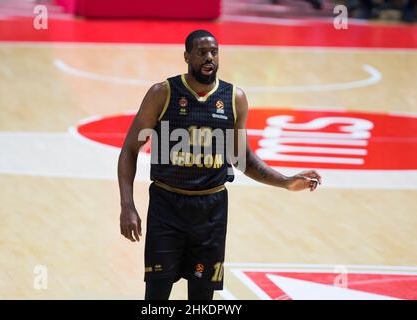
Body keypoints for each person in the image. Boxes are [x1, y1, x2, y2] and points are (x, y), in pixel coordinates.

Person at [117, 29, 322, 300]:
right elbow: (129, 150)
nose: (209, 58)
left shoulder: (234, 98)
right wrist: (127, 205)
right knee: (156, 297)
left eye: (214, 52)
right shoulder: (162, 94)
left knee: (202, 299)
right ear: (187, 56)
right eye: (202, 52)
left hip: (210, 213)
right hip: (166, 208)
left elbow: (242, 159)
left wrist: (284, 181)